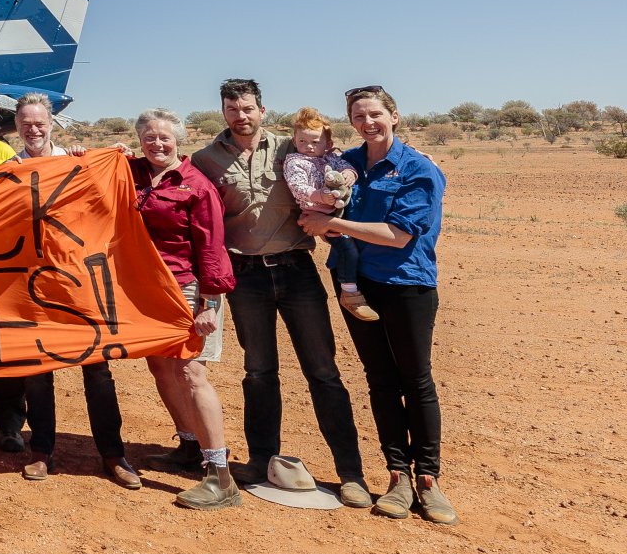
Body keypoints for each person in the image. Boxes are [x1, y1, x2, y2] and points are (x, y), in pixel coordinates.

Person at [190, 79, 370, 506]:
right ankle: (260, 459)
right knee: (258, 371)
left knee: (323, 371)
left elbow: (340, 160)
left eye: (248, 108)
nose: (241, 115)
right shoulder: (205, 159)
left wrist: (414, 154)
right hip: (245, 276)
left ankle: (351, 473)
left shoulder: (291, 147)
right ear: (224, 112)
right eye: (233, 109)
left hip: (296, 270)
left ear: (262, 109)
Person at [301, 86, 453, 525]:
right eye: (359, 116)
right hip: (355, 284)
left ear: (394, 116)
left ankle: (428, 479)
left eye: (375, 114)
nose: (368, 123)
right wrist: (326, 226)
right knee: (380, 379)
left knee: (416, 379)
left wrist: (332, 223)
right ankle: (396, 476)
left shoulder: (418, 168)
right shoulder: (344, 165)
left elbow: (398, 235)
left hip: (407, 285)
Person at [0, 94, 135, 487]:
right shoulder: (9, 169)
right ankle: (42, 451)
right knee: (38, 372)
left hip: (79, 280)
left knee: (97, 370)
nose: (32, 129)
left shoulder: (75, 161)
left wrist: (115, 156)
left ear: (51, 122)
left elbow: (108, 193)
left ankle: (113, 454)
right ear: (16, 127)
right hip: (31, 283)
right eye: (25, 123)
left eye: (39, 122)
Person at [130, 108, 241, 510]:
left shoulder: (195, 185)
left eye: (164, 138)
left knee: (191, 373)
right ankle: (189, 446)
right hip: (149, 289)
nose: (157, 144)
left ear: (179, 139)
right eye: (149, 138)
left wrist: (210, 303)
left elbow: (211, 247)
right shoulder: (135, 173)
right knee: (159, 366)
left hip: (189, 289)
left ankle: (220, 474)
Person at [280, 107, 373, 321]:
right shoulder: (295, 161)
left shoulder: (331, 158)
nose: (308, 147)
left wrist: (349, 174)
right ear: (295, 140)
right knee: (348, 248)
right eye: (302, 141)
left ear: (327, 144)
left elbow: (346, 166)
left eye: (315, 142)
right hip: (316, 211)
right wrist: (320, 196)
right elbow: (297, 186)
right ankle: (350, 292)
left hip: (336, 208)